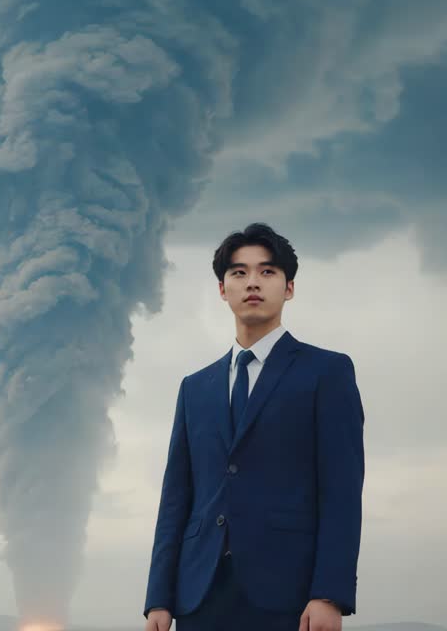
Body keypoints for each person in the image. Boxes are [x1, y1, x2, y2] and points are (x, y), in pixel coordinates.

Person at [142, 223, 365, 631]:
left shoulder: (327, 372)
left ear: (289, 287)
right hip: (199, 594)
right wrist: (159, 598)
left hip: (290, 594)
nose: (253, 283)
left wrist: (328, 594)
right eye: (239, 272)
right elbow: (175, 498)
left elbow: (341, 492)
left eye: (267, 271)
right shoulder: (195, 388)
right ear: (222, 289)